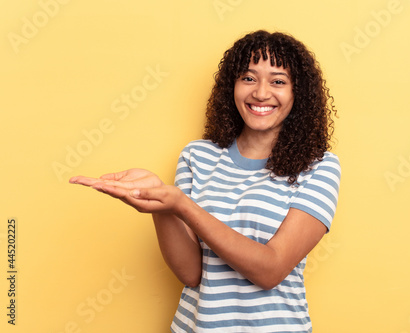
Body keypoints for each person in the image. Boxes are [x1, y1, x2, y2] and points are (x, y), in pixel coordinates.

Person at [70, 30, 341, 333]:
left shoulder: (319, 167)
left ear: (298, 94)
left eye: (278, 81)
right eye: (248, 78)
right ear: (232, 86)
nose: (261, 93)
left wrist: (183, 206)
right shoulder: (197, 156)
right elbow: (191, 273)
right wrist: (161, 206)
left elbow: (270, 270)